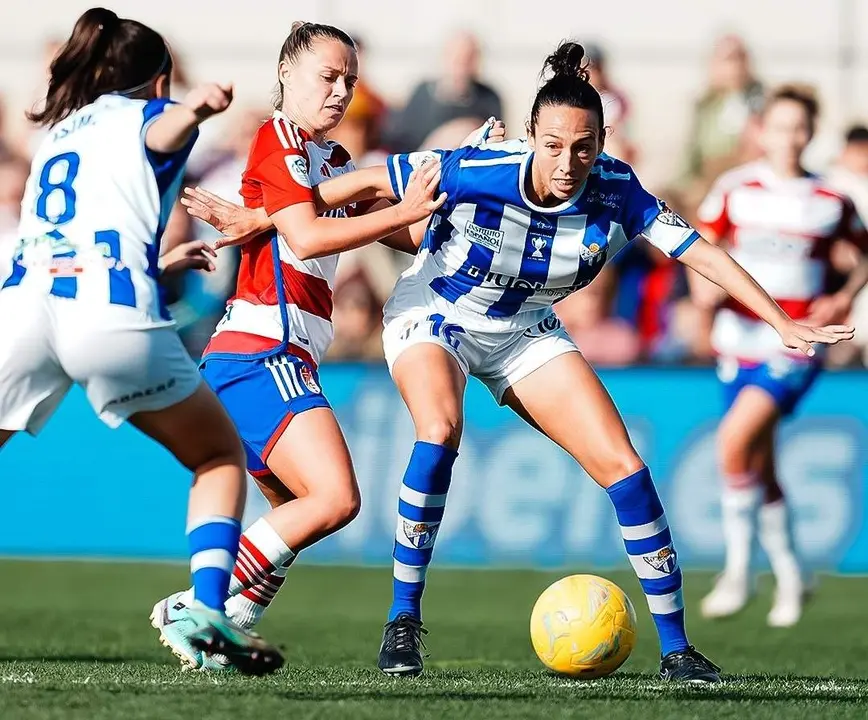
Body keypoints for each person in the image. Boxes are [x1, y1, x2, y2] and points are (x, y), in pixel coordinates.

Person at [183, 42, 853, 683]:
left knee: (625, 467)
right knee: (439, 430)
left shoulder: (619, 190)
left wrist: (781, 320)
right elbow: (354, 182)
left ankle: (677, 648)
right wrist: (264, 217)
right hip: (436, 311)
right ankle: (402, 621)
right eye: (554, 145)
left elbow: (699, 252)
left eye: (584, 147)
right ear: (531, 135)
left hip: (525, 329)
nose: (567, 162)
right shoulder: (480, 166)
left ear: (603, 144)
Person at [148, 21, 480, 672]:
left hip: (282, 356)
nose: (340, 91)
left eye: (349, 80)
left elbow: (400, 233)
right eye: (327, 76)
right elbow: (307, 237)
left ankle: (227, 623)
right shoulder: (279, 142)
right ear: (285, 73)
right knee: (335, 499)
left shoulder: (331, 163)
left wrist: (466, 196)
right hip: (260, 349)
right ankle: (199, 607)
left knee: (292, 513)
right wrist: (401, 202)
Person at [0, 7, 282, 674]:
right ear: (157, 80)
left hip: (22, 311)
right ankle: (207, 609)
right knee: (216, 454)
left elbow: (69, 245)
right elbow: (161, 129)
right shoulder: (147, 113)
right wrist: (200, 106)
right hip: (105, 316)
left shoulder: (61, 134)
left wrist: (155, 262)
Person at [693, 87, 868, 627]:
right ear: (761, 130)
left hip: (798, 340)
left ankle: (739, 572)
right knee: (757, 460)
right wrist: (701, 295)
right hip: (737, 340)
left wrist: (844, 294)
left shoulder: (830, 199)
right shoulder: (735, 188)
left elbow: (863, 253)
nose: (789, 136)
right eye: (779, 125)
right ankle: (793, 575)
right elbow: (698, 245)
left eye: (799, 126)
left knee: (732, 441)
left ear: (811, 133)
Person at [383, 31, 503, 153]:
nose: (461, 67)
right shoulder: (423, 95)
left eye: (468, 59)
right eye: (456, 59)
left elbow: (494, 143)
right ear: (445, 57)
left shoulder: (488, 98)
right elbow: (403, 142)